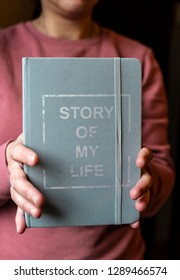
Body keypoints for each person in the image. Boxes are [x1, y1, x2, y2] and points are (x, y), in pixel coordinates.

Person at [0, 0, 175, 259]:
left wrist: (147, 181)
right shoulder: (4, 49)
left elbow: (161, 168)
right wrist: (7, 165)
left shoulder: (138, 58)